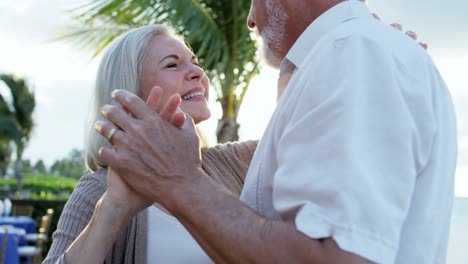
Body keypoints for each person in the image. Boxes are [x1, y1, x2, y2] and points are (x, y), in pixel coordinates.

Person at [97, 0, 457, 263]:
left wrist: (178, 180)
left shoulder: (354, 52)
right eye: (173, 64)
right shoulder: (355, 51)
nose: (251, 21)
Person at [43, 24, 257, 264]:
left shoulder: (235, 162)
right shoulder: (98, 191)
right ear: (131, 92)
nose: (197, 72)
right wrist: (113, 207)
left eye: (195, 62)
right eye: (172, 64)